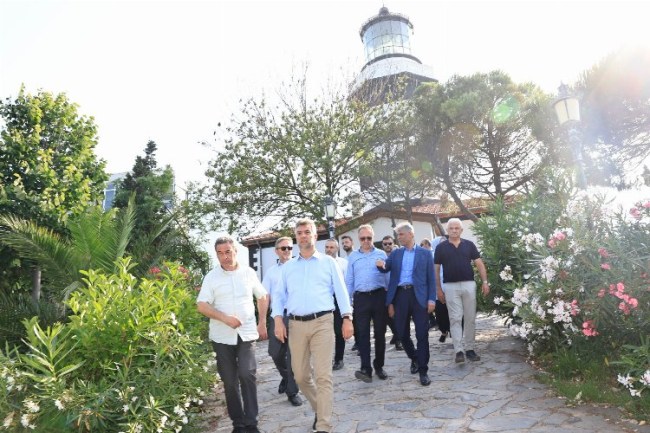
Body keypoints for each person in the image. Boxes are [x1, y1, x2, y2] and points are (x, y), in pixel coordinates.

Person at [272, 219, 353, 433]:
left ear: (315, 236)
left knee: (323, 376)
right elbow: (278, 296)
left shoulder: (329, 263)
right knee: (300, 376)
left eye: (307, 232)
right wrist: (278, 320)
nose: (303, 236)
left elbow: (341, 291)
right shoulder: (288, 267)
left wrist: (347, 317)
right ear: (296, 237)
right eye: (299, 233)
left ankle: (324, 425)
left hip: (322, 322)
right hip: (296, 325)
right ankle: (321, 408)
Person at [197, 236, 269, 433]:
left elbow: (262, 296)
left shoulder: (248, 273)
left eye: (228, 252)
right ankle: (238, 424)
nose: (225, 257)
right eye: (220, 253)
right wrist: (225, 318)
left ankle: (252, 423)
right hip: (221, 337)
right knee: (229, 381)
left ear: (235, 251)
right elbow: (201, 305)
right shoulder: (211, 277)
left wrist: (262, 322)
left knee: (247, 374)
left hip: (247, 334)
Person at [377, 222, 436, 386]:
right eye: (398, 235)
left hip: (419, 297)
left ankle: (423, 371)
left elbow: (431, 278)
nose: (399, 238)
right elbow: (386, 268)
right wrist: (380, 265)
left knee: (422, 334)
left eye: (401, 234)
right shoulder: (396, 253)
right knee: (401, 333)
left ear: (411, 234)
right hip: (400, 296)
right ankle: (415, 357)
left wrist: (432, 299)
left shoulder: (425, 253)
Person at [434, 218, 490, 363]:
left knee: (470, 318)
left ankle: (470, 349)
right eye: (451, 228)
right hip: (450, 286)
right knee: (455, 318)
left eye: (457, 228)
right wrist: (438, 289)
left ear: (461, 230)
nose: (454, 230)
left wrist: (485, 282)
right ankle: (459, 351)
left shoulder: (469, 245)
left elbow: (479, 264)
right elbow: (436, 269)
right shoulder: (441, 248)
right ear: (447, 230)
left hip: (468, 285)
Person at [345, 225, 389, 382]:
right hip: (361, 298)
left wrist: (390, 300)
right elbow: (349, 280)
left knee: (380, 333)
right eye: (363, 238)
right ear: (358, 239)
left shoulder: (381, 254)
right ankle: (365, 368)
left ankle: (379, 366)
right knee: (362, 334)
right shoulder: (353, 257)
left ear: (373, 238)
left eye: (369, 238)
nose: (366, 241)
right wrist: (348, 303)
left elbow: (388, 278)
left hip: (379, 297)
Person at [262, 237, 303, 407]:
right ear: (276, 251)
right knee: (275, 353)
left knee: (293, 356)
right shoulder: (271, 272)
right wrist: (262, 320)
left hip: (295, 316)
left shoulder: (300, 267)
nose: (287, 251)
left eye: (289, 248)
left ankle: (292, 392)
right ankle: (286, 378)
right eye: (283, 248)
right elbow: (265, 296)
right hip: (277, 316)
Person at [324, 238, 348, 371]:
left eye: (331, 247)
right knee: (324, 331)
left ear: (337, 249)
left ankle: (339, 359)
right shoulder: (320, 263)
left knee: (339, 331)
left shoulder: (344, 263)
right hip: (324, 300)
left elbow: (347, 283)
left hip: (338, 300)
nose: (329, 250)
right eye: (327, 247)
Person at [381, 235, 403, 351]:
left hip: (398, 289)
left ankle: (399, 340)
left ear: (393, 243)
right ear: (382, 245)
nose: (388, 246)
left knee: (398, 315)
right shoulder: (380, 256)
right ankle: (396, 334)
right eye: (385, 244)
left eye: (390, 243)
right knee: (387, 316)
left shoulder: (398, 255)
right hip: (385, 291)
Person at [430, 235, 451, 343]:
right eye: (441, 242)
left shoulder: (451, 254)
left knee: (453, 313)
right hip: (437, 290)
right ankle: (444, 331)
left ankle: (454, 332)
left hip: (451, 288)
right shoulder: (431, 257)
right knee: (440, 314)